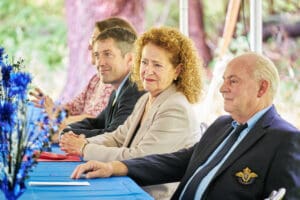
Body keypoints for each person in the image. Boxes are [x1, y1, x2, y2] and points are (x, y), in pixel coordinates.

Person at [70, 52, 300, 199]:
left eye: (233, 81)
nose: (222, 88)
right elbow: (181, 161)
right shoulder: (223, 125)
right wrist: (116, 167)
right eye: (223, 80)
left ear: (261, 88)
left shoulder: (285, 139)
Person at [61, 26, 204, 199]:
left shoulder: (176, 107)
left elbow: (139, 157)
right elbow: (118, 137)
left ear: (177, 70)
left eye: (157, 65)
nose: (148, 71)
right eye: (144, 62)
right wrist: (81, 142)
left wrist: (85, 149)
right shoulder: (147, 98)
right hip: (127, 186)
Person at [30, 17, 137, 125]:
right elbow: (72, 108)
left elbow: (97, 121)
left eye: (96, 41)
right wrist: (52, 108)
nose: (90, 46)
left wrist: (58, 120)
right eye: (92, 40)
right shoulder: (96, 80)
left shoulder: (118, 84)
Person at [59, 27, 144, 138]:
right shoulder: (117, 92)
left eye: (107, 54)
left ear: (129, 59)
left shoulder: (134, 90)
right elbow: (96, 123)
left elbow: (113, 136)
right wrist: (68, 129)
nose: (100, 63)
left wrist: (68, 134)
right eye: (97, 55)